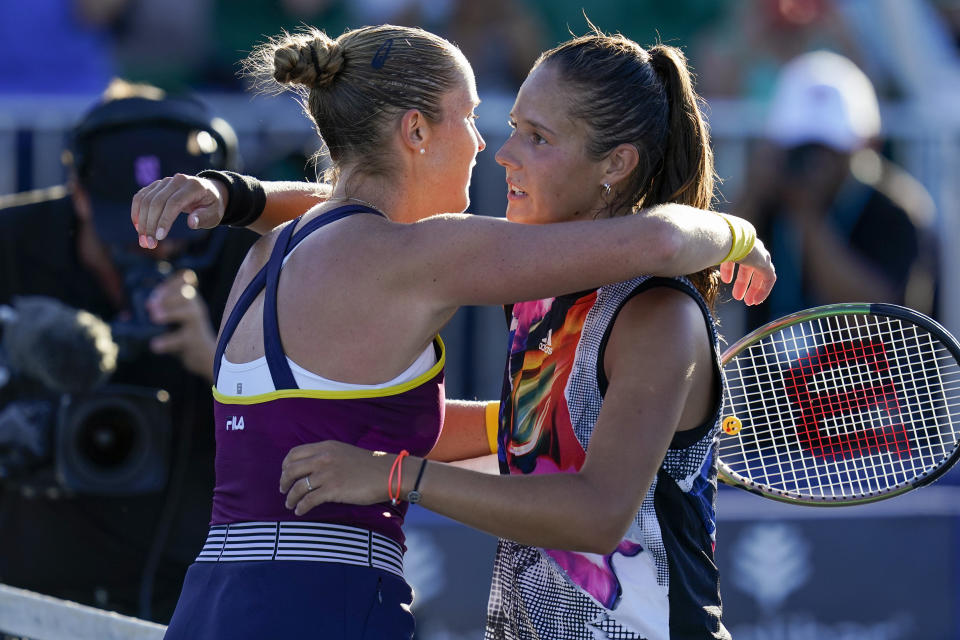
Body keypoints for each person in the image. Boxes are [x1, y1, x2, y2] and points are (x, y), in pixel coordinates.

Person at [130, 25, 773, 639]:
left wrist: (238, 195)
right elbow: (659, 239)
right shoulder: (442, 264)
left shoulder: (274, 250)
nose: (492, 147)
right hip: (330, 607)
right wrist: (738, 236)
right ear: (414, 130)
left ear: (617, 162)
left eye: (536, 137)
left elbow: (589, 503)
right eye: (480, 119)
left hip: (215, 601)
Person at [0, 79, 256, 623]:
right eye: (130, 225)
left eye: (174, 225)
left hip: (183, 580)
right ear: (79, 193)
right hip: (24, 569)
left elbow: (308, 423)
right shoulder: (11, 240)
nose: (153, 244)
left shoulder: (247, 257)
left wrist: (218, 363)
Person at [737, 50, 938, 329]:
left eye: (831, 147)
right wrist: (751, 197)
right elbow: (718, 282)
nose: (814, 160)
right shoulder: (769, 197)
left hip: (871, 372)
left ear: (867, 143)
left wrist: (807, 218)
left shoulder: (901, 210)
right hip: (781, 372)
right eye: (801, 145)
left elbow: (883, 317)